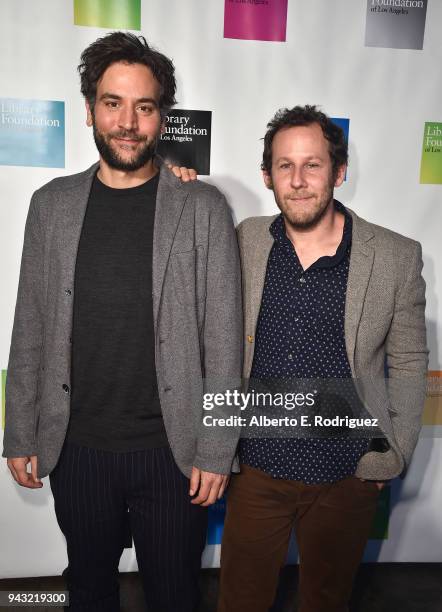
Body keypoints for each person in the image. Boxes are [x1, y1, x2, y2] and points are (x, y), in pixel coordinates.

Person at [3, 31, 242, 612]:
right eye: (113, 103)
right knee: (86, 590)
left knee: (174, 594)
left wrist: (217, 447)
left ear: (162, 116)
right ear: (89, 110)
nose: (128, 122)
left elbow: (225, 338)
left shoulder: (203, 207)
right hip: (77, 449)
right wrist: (19, 431)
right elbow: (31, 323)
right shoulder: (50, 205)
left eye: (145, 106)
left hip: (172, 452)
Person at [217, 105, 428, 612]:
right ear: (267, 176)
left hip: (346, 473)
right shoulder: (245, 239)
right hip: (256, 470)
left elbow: (409, 360)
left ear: (339, 170)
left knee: (325, 602)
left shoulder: (395, 256)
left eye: (312, 165)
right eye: (284, 166)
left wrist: (391, 450)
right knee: (238, 603)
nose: (298, 181)